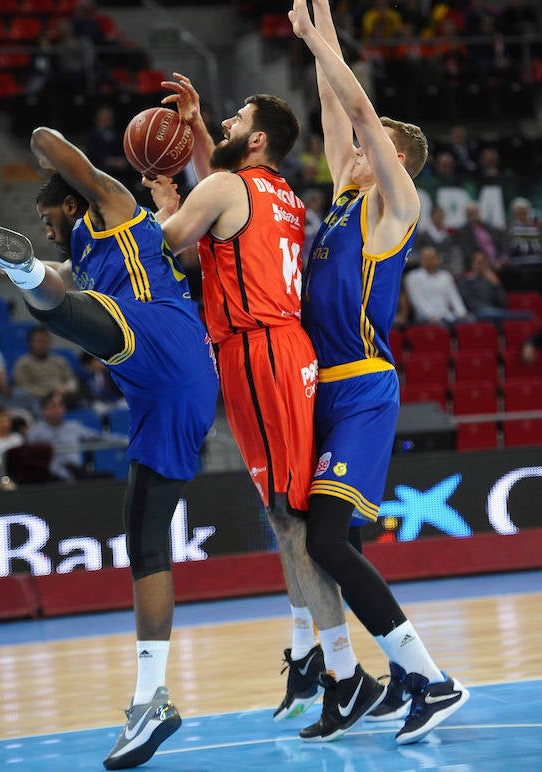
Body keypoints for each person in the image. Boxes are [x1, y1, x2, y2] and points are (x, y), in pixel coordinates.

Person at [0, 123, 218, 770]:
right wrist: (37, 266)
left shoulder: (113, 209)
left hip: (163, 339)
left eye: (48, 217)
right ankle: (151, 699)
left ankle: (9, 264)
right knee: (143, 540)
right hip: (164, 390)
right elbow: (62, 277)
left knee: (60, 306)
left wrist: (43, 144)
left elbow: (55, 146)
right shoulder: (85, 257)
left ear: (72, 205)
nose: (47, 224)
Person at [287, 0, 469, 745]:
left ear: (396, 160)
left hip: (360, 384)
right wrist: (317, 5)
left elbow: (357, 109)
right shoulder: (341, 199)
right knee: (338, 539)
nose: (353, 148)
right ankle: (399, 676)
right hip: (322, 388)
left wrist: (315, 33)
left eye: (370, 145)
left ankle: (429, 675)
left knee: (326, 536)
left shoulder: (395, 208)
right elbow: (336, 109)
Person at [147, 69, 349, 729]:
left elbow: (171, 241)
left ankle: (343, 671)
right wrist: (200, 126)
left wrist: (158, 198)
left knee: (293, 524)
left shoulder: (227, 185)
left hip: (260, 351)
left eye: (233, 120)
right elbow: (222, 188)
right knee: (283, 518)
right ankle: (316, 659)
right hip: (271, 350)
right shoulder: (277, 189)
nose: (224, 126)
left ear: (256, 139)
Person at [12, 324, 80, 407]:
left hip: (63, 397)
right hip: (39, 400)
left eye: (45, 341)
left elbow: (71, 379)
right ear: (31, 343)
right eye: (39, 341)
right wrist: (49, 393)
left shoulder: (59, 361)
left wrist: (66, 389)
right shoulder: (23, 364)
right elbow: (23, 387)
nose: (43, 344)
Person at [404, 245, 471, 326]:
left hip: (447, 315)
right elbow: (417, 299)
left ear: (437, 259)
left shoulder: (446, 276)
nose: (429, 261)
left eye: (432, 258)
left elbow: (454, 296)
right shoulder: (412, 277)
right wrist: (430, 316)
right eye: (426, 258)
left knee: (469, 323)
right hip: (425, 318)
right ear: (421, 260)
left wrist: (462, 313)